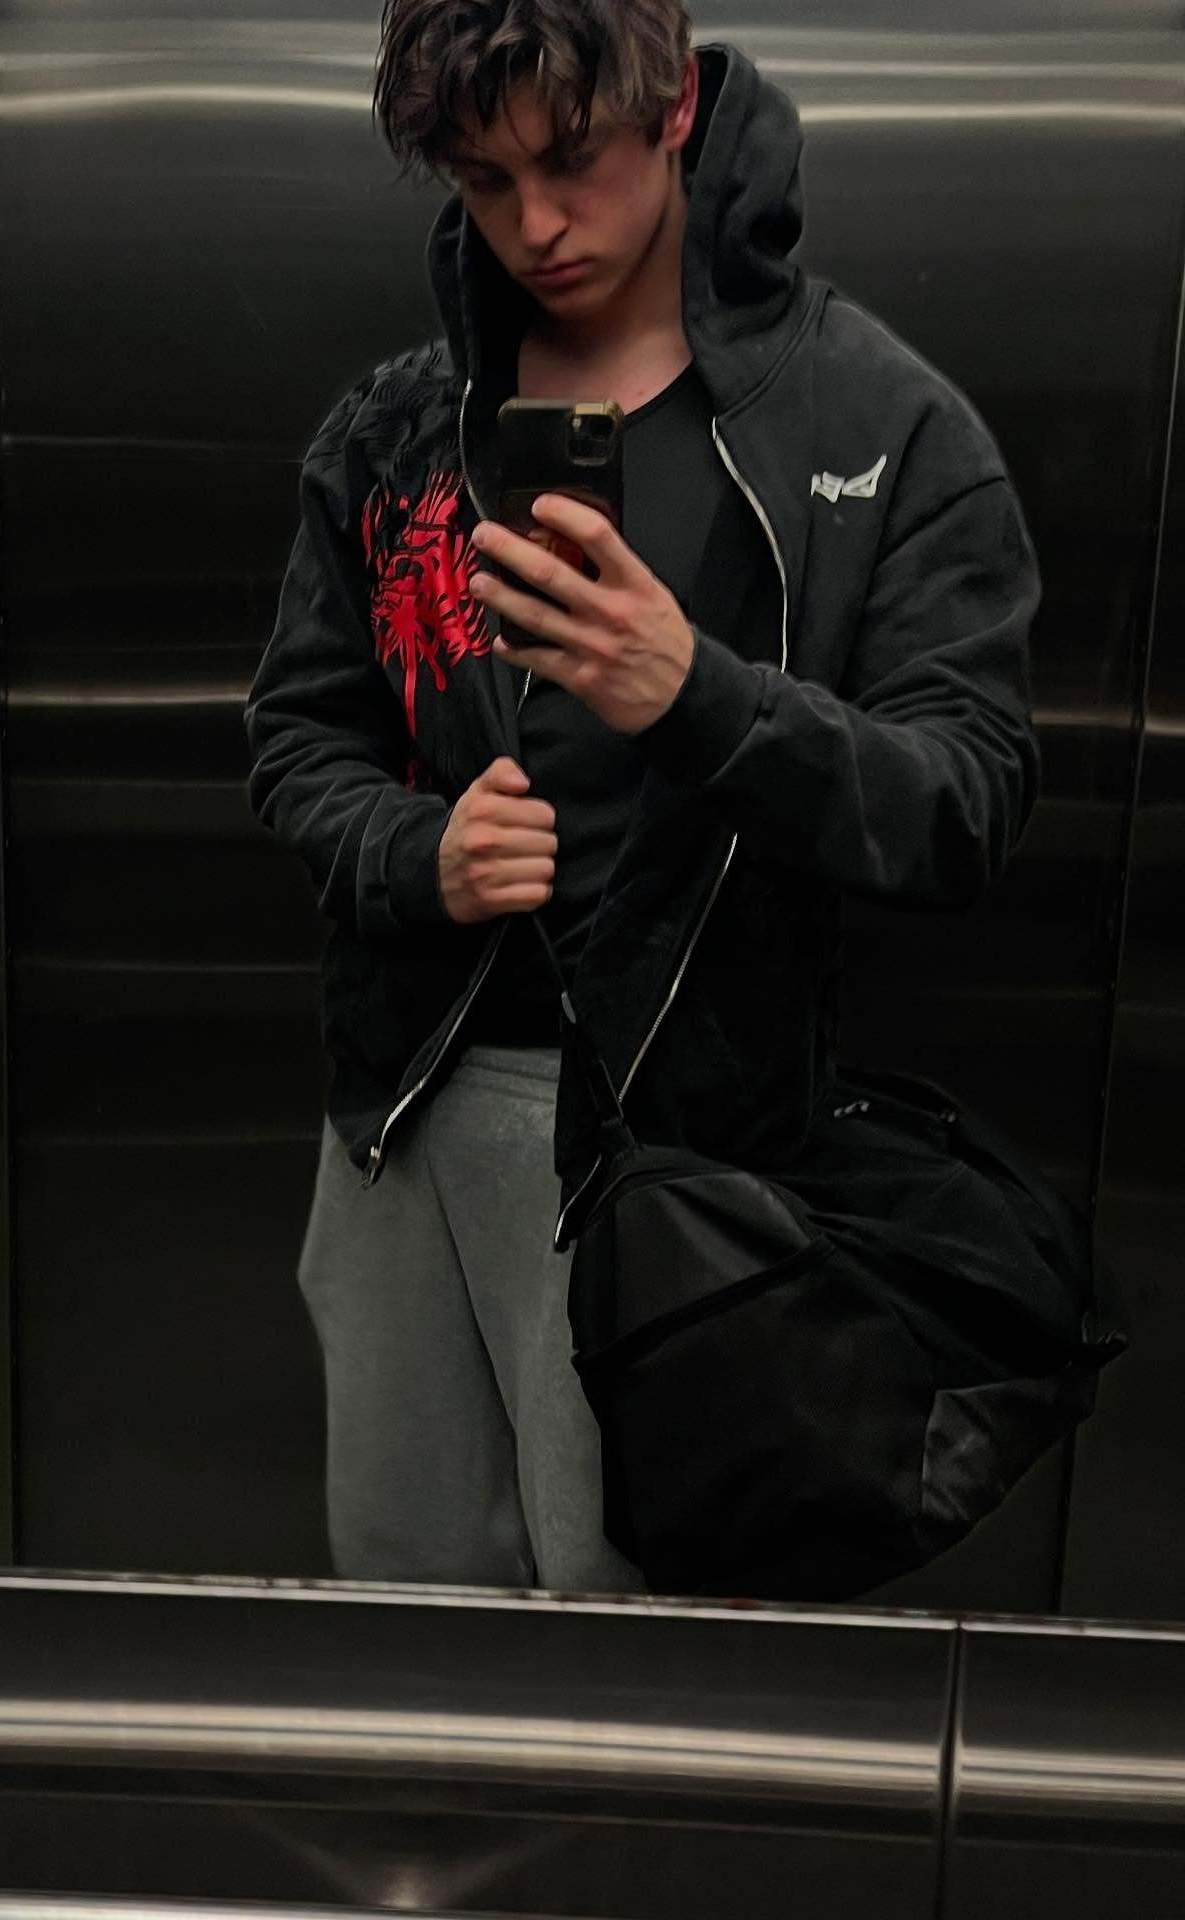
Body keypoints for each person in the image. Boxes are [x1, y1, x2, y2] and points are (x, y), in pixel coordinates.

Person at [243, 1, 1041, 1595]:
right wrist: (415, 853)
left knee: (634, 1636)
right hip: (407, 1119)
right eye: (484, 181)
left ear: (675, 105)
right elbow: (297, 734)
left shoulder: (874, 428)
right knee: (406, 1613)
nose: (534, 224)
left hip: (691, 1161)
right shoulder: (399, 429)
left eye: (572, 160)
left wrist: (696, 695)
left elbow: (964, 799)